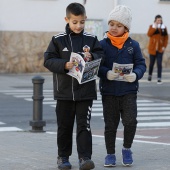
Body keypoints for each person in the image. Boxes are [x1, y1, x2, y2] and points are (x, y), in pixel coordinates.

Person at [44, 2, 104, 170]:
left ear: (85, 19)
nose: (79, 26)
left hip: (86, 92)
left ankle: (85, 158)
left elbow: (101, 56)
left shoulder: (92, 39)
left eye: (82, 22)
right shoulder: (57, 40)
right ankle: (63, 157)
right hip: (64, 92)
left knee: (84, 125)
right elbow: (48, 60)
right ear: (67, 19)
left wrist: (92, 56)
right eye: (75, 22)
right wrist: (64, 64)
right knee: (64, 126)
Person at [98, 5, 146, 167]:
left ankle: (127, 149)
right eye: (112, 24)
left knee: (130, 122)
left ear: (126, 27)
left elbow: (141, 64)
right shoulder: (102, 44)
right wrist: (106, 73)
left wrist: (136, 74)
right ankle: (110, 154)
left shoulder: (133, 45)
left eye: (119, 25)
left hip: (128, 91)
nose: (114, 28)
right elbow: (96, 65)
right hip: (109, 91)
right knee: (110, 125)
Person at [147, 15, 168, 84]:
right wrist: (154, 28)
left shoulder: (164, 28)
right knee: (151, 64)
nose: (159, 21)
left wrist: (164, 46)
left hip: (160, 49)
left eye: (160, 20)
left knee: (159, 64)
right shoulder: (152, 26)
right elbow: (149, 34)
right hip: (152, 49)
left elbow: (166, 38)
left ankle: (159, 78)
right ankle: (150, 75)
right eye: (158, 20)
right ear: (155, 20)